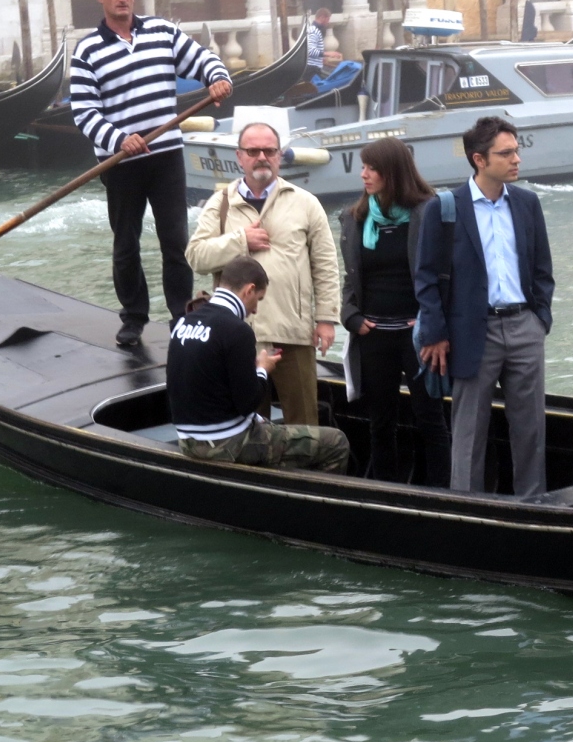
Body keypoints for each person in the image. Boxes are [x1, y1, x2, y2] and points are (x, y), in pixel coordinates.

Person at [70, 0, 233, 350]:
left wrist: (218, 76)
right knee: (125, 244)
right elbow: (84, 112)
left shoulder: (162, 31)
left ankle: (182, 316)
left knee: (174, 241)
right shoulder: (87, 51)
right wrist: (119, 138)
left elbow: (201, 58)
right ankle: (134, 318)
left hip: (165, 156)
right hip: (120, 163)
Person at [415, 116, 554, 499]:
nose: (516, 160)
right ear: (479, 159)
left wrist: (540, 318)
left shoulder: (527, 203)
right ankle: (467, 507)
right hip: (472, 331)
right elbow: (425, 278)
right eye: (506, 153)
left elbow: (543, 267)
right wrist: (437, 334)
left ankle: (533, 504)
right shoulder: (444, 208)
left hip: (525, 325)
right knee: (469, 430)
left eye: (516, 151)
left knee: (530, 428)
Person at [186, 121, 340, 425]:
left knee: (304, 423)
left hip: (292, 331)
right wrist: (240, 241)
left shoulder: (305, 202)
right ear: (240, 156)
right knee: (247, 422)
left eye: (269, 150)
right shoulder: (221, 205)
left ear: (279, 155)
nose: (262, 157)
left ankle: (303, 473)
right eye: (253, 150)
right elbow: (196, 257)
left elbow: (325, 264)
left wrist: (325, 319)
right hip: (238, 335)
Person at [168, 255, 349, 474]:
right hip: (227, 444)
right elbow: (248, 403)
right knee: (336, 442)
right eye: (259, 299)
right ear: (249, 290)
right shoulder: (237, 330)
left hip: (187, 441)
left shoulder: (184, 323)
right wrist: (262, 369)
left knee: (270, 428)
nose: (255, 310)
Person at [340, 139, 450, 486]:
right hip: (373, 334)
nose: (364, 175)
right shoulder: (354, 217)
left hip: (417, 335)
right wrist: (352, 319)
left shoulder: (429, 211)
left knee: (429, 416)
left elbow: (446, 274)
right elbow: (351, 277)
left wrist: (433, 321)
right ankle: (385, 489)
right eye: (363, 168)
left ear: (392, 171)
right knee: (380, 420)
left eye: (371, 168)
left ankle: (442, 493)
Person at [306, 8, 330, 80]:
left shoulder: (315, 30)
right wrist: (328, 54)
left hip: (314, 67)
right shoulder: (314, 30)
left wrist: (321, 58)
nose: (328, 22)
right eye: (327, 19)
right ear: (322, 17)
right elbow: (310, 51)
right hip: (312, 69)